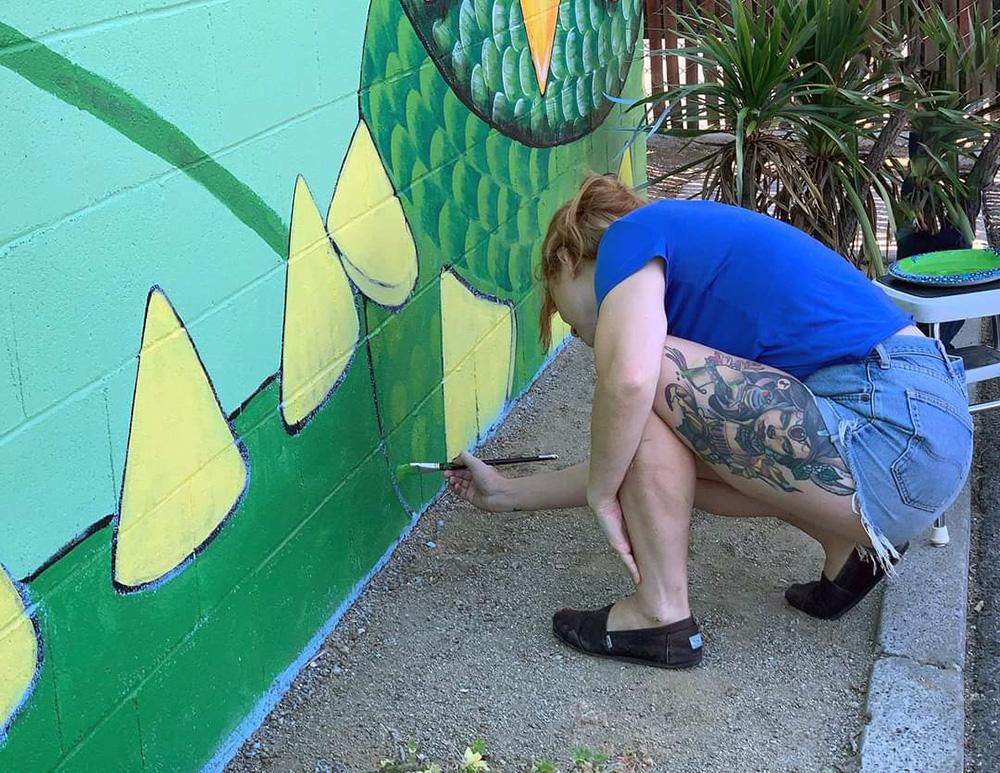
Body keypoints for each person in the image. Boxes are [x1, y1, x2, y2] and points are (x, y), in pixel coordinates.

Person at [444, 174, 973, 669]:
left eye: (557, 306)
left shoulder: (631, 236)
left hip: (893, 426)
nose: (566, 325)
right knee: (661, 442)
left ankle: (659, 612)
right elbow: (639, 466)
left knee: (635, 380)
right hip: (922, 436)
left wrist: (601, 494)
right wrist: (506, 493)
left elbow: (629, 381)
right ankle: (848, 551)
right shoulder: (695, 277)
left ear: (571, 259)